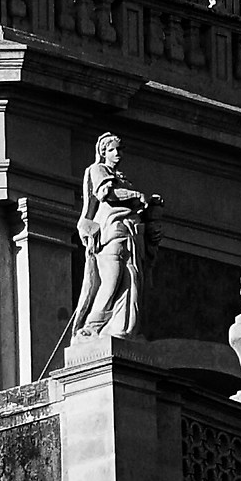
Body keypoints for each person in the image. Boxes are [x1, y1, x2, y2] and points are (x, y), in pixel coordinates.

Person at [73, 133, 158, 341]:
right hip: (112, 234)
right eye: (112, 149)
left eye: (119, 149)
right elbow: (107, 194)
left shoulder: (124, 179)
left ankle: (123, 329)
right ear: (103, 152)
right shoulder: (98, 170)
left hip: (131, 235)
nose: (117, 153)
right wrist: (136, 196)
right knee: (111, 281)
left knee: (132, 282)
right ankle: (91, 327)